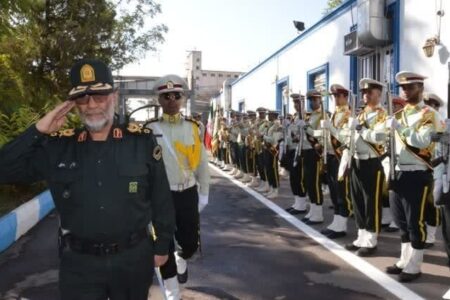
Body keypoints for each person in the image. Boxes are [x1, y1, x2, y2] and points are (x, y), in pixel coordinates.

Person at [0, 59, 175, 300]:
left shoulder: (141, 141)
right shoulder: (59, 146)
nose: (91, 105)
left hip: (133, 261)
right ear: (73, 104)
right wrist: (39, 130)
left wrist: (163, 244)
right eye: (82, 98)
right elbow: (4, 169)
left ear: (114, 95)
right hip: (79, 265)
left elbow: (161, 196)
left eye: (100, 96)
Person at [147, 74, 210, 299]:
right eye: (166, 96)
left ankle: (182, 256)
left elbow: (202, 161)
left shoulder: (193, 127)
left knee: (190, 243)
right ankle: (172, 291)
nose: (171, 100)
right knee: (161, 244)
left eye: (176, 95)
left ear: (182, 99)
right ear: (159, 100)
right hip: (161, 196)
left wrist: (204, 192)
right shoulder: (149, 129)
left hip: (187, 192)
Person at [385, 71, 443, 282]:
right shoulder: (399, 114)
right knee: (401, 221)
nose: (405, 91)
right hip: (398, 172)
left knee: (414, 221)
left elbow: (422, 142)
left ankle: (415, 264)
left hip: (417, 174)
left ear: (420, 87)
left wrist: (400, 128)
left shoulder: (429, 114)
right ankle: (404, 259)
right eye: (403, 87)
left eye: (410, 87)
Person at [345, 78, 387, 255]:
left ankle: (371, 239)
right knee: (358, 200)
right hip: (356, 160)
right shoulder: (359, 115)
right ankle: (361, 235)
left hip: (371, 161)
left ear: (378, 94)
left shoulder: (383, 114)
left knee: (371, 201)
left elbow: (379, 137)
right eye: (364, 92)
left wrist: (360, 129)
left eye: (369, 92)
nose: (365, 95)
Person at [320, 84, 353, 233]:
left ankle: (342, 224)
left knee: (341, 191)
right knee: (333, 190)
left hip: (341, 157)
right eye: (334, 96)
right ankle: (336, 220)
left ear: (345, 97)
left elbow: (344, 138)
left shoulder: (348, 114)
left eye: (338, 96)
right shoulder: (335, 113)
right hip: (331, 156)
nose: (336, 99)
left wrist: (330, 128)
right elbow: (328, 137)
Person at [423, 92, 445, 248]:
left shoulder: (441, 124)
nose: (429, 107)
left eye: (432, 105)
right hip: (421, 168)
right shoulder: (422, 123)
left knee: (432, 204)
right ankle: (425, 232)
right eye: (427, 104)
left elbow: (443, 152)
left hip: (436, 168)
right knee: (422, 203)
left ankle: (430, 236)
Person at [285, 93, 308, 214]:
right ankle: (297, 202)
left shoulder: (306, 116)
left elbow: (308, 134)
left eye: (298, 102)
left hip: (301, 151)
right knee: (293, 178)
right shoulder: (295, 117)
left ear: (303, 103)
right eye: (294, 103)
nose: (296, 105)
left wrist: (299, 137)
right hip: (292, 150)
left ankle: (302, 204)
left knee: (300, 178)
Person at [263, 110, 283, 198]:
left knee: (274, 170)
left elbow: (274, 140)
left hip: (273, 150)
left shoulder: (277, 125)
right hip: (267, 149)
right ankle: (271, 188)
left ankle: (276, 189)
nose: (268, 116)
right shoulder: (270, 124)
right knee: (269, 169)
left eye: (269, 115)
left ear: (274, 115)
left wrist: (263, 137)